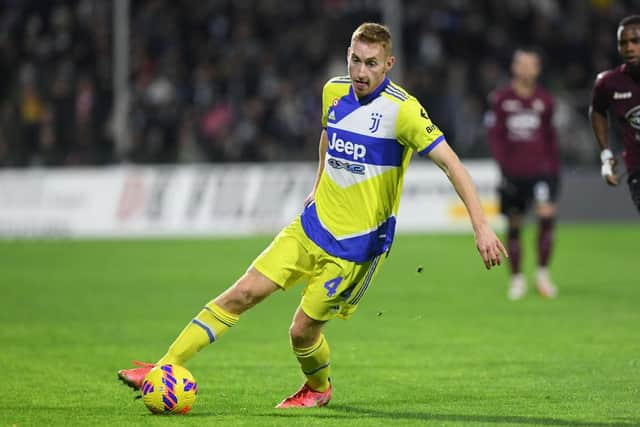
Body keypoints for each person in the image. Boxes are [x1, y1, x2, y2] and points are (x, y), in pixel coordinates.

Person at [118, 22, 508, 408]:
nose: (360, 72)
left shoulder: (402, 112)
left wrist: (481, 226)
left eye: (372, 63)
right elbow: (328, 134)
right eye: (355, 60)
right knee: (242, 293)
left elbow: (452, 164)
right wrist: (318, 180)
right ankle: (164, 366)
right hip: (310, 226)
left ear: (389, 63)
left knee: (301, 332)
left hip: (354, 250)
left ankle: (318, 388)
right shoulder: (334, 91)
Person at [485, 48, 560, 301]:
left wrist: (553, 169)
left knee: (546, 216)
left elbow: (551, 137)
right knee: (515, 225)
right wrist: (503, 165)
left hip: (541, 172)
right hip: (513, 174)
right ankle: (517, 279)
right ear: (515, 68)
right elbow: (495, 136)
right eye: (522, 64)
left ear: (537, 69)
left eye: (532, 65)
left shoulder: (545, 99)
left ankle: (542, 274)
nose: (527, 69)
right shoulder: (501, 98)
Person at [590, 15, 640, 214]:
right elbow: (597, 111)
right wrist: (606, 155)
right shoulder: (608, 82)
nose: (629, 48)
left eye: (636, 41)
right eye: (623, 43)